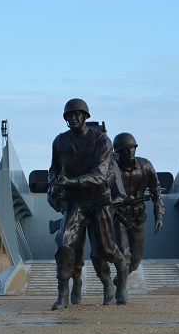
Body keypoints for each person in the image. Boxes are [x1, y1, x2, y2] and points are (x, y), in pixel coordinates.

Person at [48, 98, 129, 309]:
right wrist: (54, 183)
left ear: (85, 116)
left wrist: (71, 181)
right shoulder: (60, 141)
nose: (73, 118)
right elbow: (54, 169)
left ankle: (117, 277)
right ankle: (63, 293)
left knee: (107, 250)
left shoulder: (102, 140)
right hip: (75, 201)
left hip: (99, 200)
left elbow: (100, 176)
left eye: (77, 115)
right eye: (69, 116)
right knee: (64, 243)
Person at [111, 132, 164, 275]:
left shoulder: (146, 166)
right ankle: (122, 290)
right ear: (119, 152)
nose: (130, 152)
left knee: (135, 261)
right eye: (126, 149)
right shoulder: (111, 168)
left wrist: (158, 216)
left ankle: (121, 280)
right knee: (124, 256)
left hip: (137, 218)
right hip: (119, 216)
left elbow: (156, 193)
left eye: (133, 148)